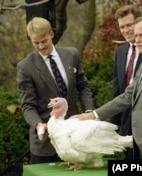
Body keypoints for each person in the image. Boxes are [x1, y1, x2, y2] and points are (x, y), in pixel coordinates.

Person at [71, 15, 142, 160]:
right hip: (140, 145)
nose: (137, 40)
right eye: (135, 36)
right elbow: (127, 97)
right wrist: (94, 115)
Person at [16, 17, 94, 164]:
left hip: (76, 138)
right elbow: (28, 106)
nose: (40, 46)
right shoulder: (25, 67)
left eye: (44, 41)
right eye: (36, 42)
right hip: (46, 143)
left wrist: (89, 112)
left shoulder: (72, 55)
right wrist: (38, 124)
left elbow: (83, 86)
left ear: (51, 34)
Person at [110, 5, 142, 160]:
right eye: (122, 27)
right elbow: (117, 90)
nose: (125, 30)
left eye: (129, 25)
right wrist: (113, 126)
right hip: (126, 123)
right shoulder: (121, 52)